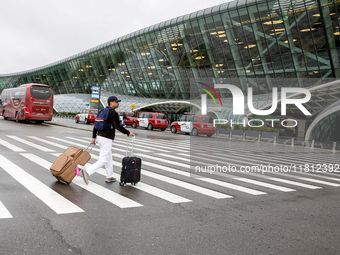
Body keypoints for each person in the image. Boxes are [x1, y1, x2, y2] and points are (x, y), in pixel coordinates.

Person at [81, 96, 134, 184]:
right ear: (111, 102)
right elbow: (118, 126)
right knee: (104, 159)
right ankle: (87, 172)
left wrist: (94, 137)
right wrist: (128, 133)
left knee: (108, 157)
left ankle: (109, 176)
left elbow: (96, 125)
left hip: (100, 137)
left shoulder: (102, 111)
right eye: (116, 102)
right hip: (106, 138)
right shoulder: (113, 113)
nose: (118, 103)